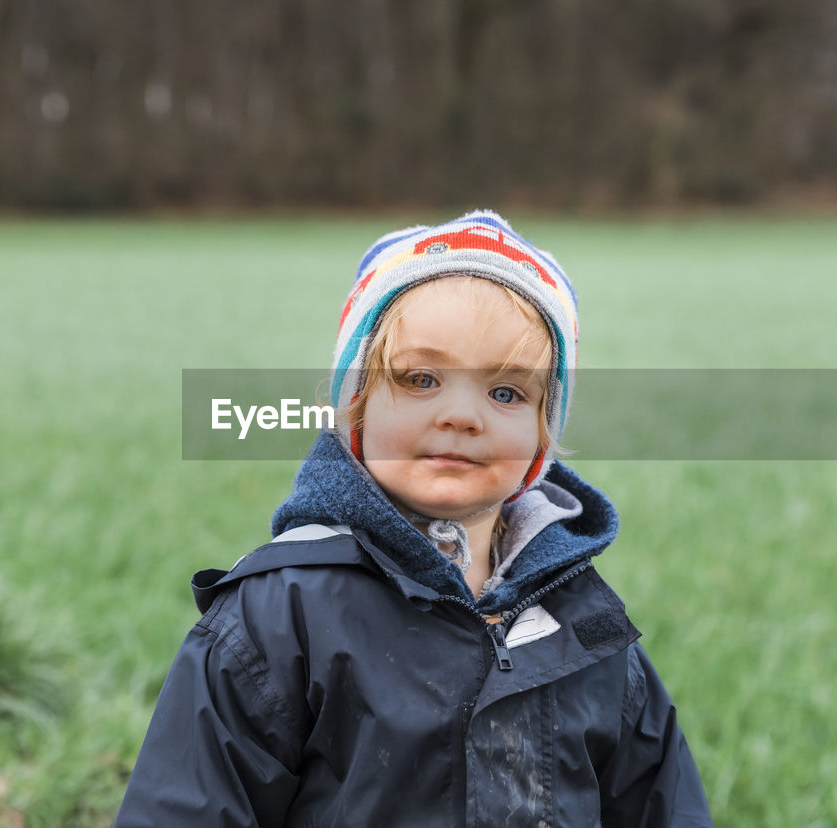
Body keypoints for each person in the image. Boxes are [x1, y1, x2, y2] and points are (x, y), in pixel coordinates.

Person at [116, 210, 713, 826]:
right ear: (355, 407)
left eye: (506, 392)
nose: (462, 414)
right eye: (421, 379)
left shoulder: (586, 626)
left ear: (542, 435)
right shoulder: (278, 617)